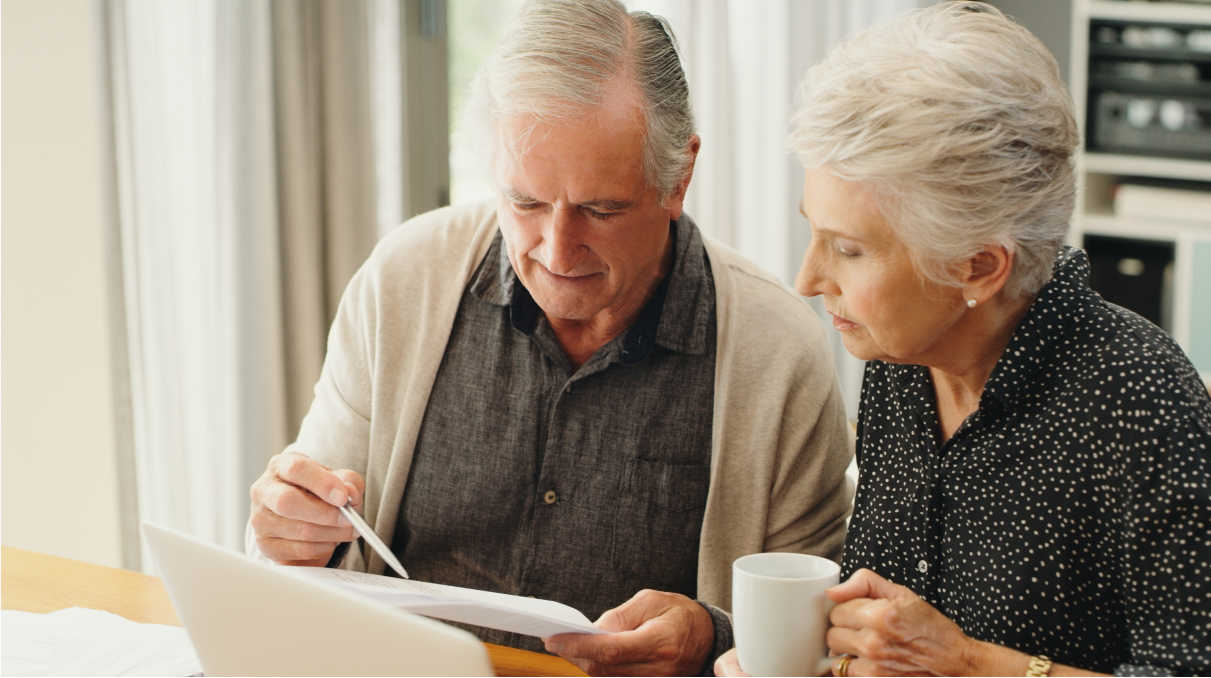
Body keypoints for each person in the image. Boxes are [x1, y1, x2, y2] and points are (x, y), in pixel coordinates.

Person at [245, 1, 854, 675]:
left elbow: (821, 642)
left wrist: (712, 637)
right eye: (525, 202)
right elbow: (312, 527)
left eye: (601, 208)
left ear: (678, 178)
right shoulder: (403, 283)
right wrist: (291, 529)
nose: (557, 251)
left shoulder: (779, 353)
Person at [715, 2, 1211, 676]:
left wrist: (972, 663)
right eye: (814, 230)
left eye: (849, 251)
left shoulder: (1136, 395)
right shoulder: (903, 358)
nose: (807, 278)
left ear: (977, 267)